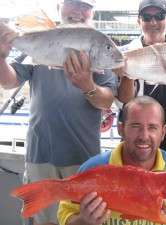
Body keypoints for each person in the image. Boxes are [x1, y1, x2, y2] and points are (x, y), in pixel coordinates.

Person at [0, 1, 117, 225]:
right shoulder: (41, 37)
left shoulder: (98, 44)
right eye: (72, 3)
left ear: (92, 12)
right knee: (44, 220)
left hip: (83, 158)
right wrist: (1, 56)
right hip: (40, 154)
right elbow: (8, 81)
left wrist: (87, 85)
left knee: (84, 219)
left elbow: (108, 99)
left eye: (84, 6)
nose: (78, 11)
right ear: (59, 7)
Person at [57, 96, 166, 225]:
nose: (144, 136)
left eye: (152, 127)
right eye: (135, 126)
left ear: (162, 133)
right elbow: (65, 216)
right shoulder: (92, 168)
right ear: (121, 129)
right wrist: (84, 220)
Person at [116, 0, 166, 167]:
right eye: (146, 17)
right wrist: (127, 73)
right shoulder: (124, 54)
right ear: (139, 21)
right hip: (135, 146)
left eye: (159, 16)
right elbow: (124, 102)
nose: (153, 22)